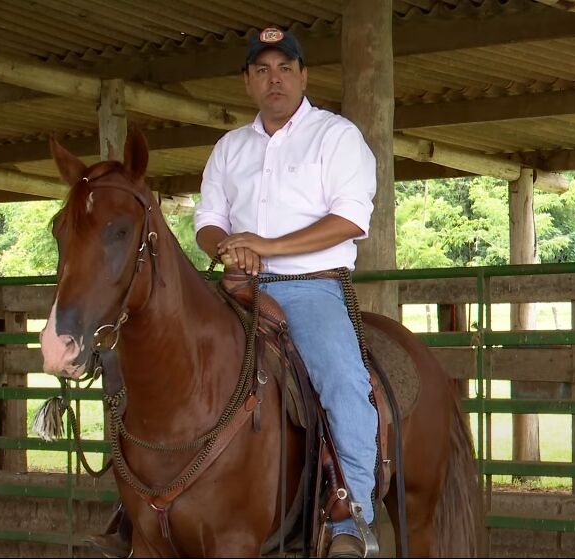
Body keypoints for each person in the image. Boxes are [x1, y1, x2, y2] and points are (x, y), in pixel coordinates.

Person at [193, 26, 379, 559]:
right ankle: (139, 506)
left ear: (303, 75)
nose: (273, 80)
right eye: (261, 70)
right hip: (235, 285)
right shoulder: (230, 148)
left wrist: (266, 245)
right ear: (247, 82)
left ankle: (353, 514)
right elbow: (207, 221)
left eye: (284, 68)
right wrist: (228, 248)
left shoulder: (337, 136)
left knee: (343, 381)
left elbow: (348, 219)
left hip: (310, 288)